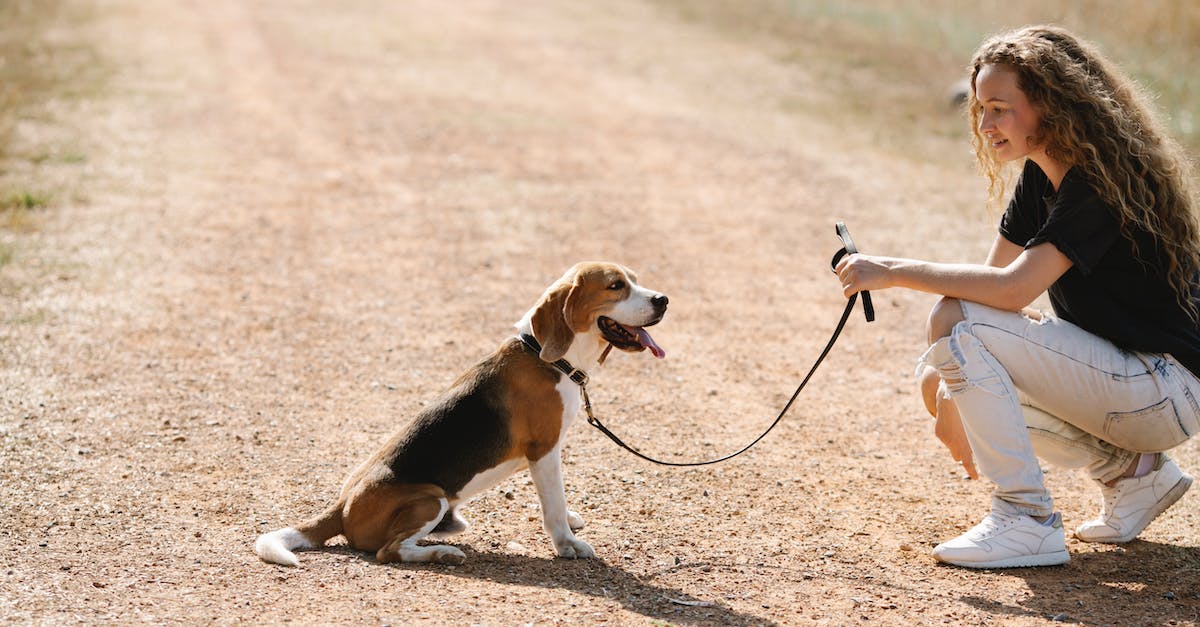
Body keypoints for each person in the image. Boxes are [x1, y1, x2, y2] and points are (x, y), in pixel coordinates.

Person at [835, 25, 1199, 569]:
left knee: (954, 324)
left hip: (1166, 387)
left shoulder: (1097, 183)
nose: (984, 125)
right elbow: (989, 291)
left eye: (1000, 108)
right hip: (1132, 383)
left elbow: (1009, 292)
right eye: (981, 108)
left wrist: (888, 269)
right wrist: (947, 391)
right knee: (942, 366)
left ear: (1051, 107)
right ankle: (1134, 476)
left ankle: (1026, 519)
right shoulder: (1040, 176)